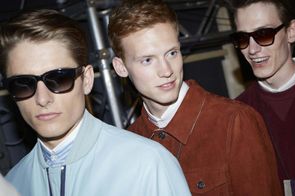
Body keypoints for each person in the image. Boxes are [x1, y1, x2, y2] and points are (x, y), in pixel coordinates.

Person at [0, 9, 191, 196]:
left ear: (87, 80)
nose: (42, 99)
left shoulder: (147, 163)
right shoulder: (14, 183)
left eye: (59, 79)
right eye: (23, 84)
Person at [108, 0, 282, 195]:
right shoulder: (129, 144)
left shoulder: (234, 121)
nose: (166, 71)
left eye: (172, 53)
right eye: (148, 60)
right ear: (121, 67)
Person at [229, 0, 295, 195]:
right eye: (243, 38)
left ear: (291, 31)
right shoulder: (237, 113)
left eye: (263, 34)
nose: (252, 50)